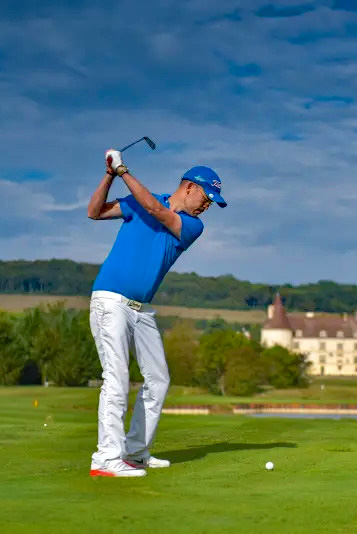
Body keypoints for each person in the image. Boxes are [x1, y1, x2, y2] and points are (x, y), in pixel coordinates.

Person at [85, 148, 227, 477]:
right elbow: (94, 211)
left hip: (141, 310)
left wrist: (122, 171)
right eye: (207, 197)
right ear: (190, 187)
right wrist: (110, 175)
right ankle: (106, 458)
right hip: (110, 301)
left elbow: (155, 209)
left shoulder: (192, 226)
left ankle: (134, 453)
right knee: (116, 378)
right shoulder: (140, 200)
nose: (208, 206)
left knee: (159, 379)